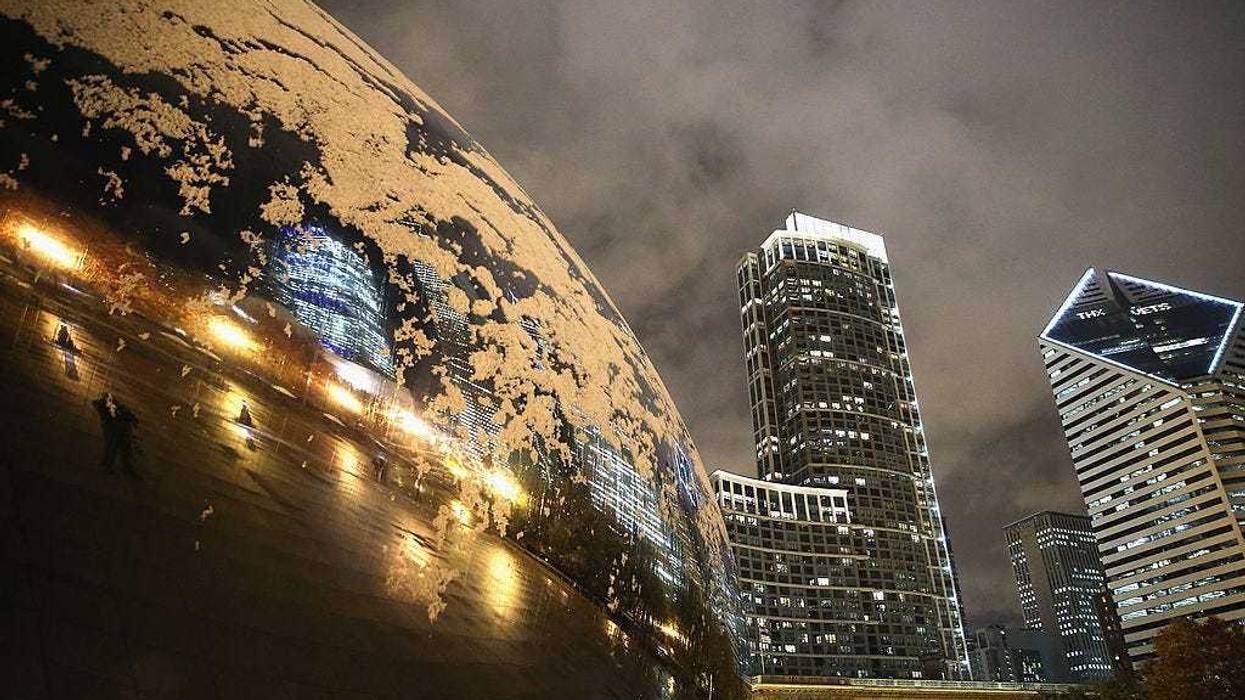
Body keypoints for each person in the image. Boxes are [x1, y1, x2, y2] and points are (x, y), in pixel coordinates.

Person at [92, 392, 140, 478]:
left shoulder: (119, 407)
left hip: (121, 432)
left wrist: (132, 420)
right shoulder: (106, 408)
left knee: (123, 449)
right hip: (115, 432)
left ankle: (124, 467)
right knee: (113, 448)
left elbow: (127, 415)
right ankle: (109, 465)